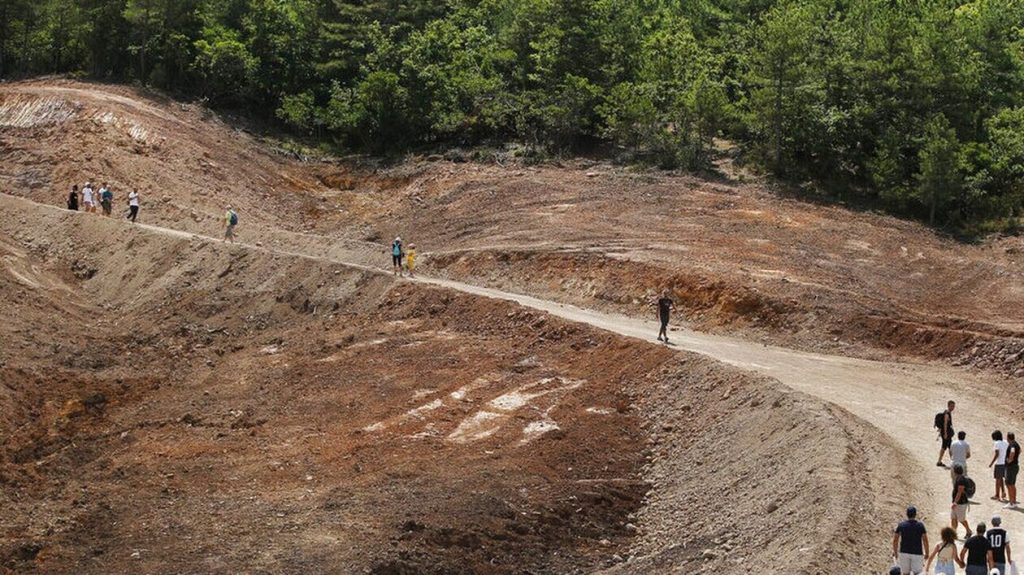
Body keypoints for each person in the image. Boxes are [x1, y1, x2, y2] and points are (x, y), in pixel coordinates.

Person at [893, 505, 929, 574]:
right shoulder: (920, 525)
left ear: (907, 514)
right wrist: (927, 553)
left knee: (905, 573)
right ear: (915, 514)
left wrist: (895, 552)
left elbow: (895, 540)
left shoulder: (901, 525)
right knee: (917, 573)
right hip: (917, 553)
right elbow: (925, 540)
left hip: (904, 552)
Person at [954, 464, 973, 538]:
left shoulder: (961, 480)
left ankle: (969, 531)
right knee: (953, 518)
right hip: (957, 502)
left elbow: (960, 492)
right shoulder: (959, 478)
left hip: (961, 503)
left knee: (961, 519)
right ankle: (954, 533)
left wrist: (955, 502)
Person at [991, 431, 1009, 502]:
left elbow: (997, 454)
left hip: (999, 463)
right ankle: (1003, 492)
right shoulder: (1005, 442)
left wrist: (991, 463)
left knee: (997, 480)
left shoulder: (996, 443)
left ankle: (997, 495)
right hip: (1005, 463)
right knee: (1001, 478)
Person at [939, 401, 957, 467]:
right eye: (952, 406)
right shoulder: (947, 414)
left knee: (944, 447)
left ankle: (939, 461)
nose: (953, 408)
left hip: (945, 433)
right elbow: (945, 424)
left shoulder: (947, 412)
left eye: (953, 406)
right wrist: (945, 433)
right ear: (948, 406)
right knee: (950, 447)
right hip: (946, 434)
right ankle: (953, 463)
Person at [1005, 433, 1020, 509]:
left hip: (1011, 467)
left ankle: (1011, 502)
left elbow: (1012, 452)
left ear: (1008, 438)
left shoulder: (1012, 445)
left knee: (1009, 484)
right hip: (1015, 466)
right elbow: (1019, 451)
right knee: (1012, 484)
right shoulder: (1016, 444)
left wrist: (1009, 460)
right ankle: (1014, 501)